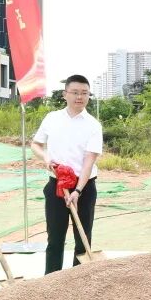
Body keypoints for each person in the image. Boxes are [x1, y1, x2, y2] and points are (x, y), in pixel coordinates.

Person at [31, 74, 103, 274]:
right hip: (56, 185)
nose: (79, 97)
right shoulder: (52, 118)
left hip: (84, 186)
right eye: (75, 92)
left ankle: (79, 282)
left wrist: (78, 191)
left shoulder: (93, 125)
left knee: (83, 236)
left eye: (84, 93)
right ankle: (52, 280)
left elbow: (89, 160)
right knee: (55, 237)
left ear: (89, 96)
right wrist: (45, 158)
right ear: (65, 94)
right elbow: (36, 144)